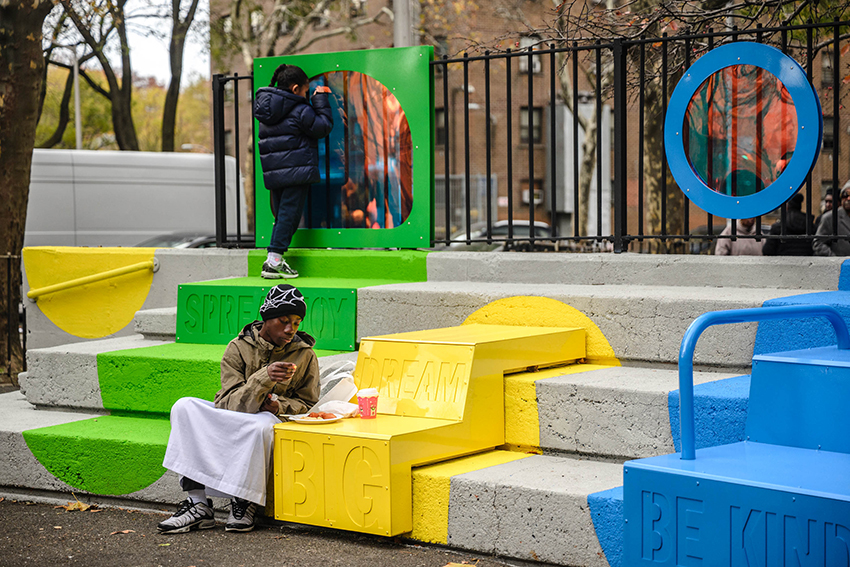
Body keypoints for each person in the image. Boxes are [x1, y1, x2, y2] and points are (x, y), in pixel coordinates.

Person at [157, 284, 319, 534]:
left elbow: (308, 403)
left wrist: (279, 405)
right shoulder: (238, 347)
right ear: (267, 318)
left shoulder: (305, 354)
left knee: (262, 424)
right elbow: (229, 403)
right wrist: (263, 377)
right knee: (184, 406)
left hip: (268, 420)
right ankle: (198, 504)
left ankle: (243, 502)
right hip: (235, 414)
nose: (290, 329)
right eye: (284, 320)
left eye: (296, 322)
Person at [254, 64, 334, 279]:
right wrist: (319, 101)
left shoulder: (266, 110)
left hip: (274, 172)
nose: (307, 95)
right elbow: (323, 127)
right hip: (296, 171)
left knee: (282, 216)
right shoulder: (300, 109)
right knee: (289, 216)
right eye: (306, 91)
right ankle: (274, 260)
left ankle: (274, 258)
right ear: (296, 88)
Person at [813, 186, 850, 256]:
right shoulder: (829, 218)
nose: (848, 198)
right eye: (845, 195)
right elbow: (818, 244)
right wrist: (834, 259)